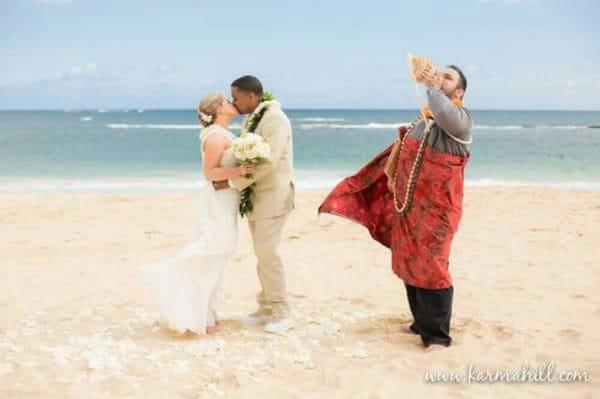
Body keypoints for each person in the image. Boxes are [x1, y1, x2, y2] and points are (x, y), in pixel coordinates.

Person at [319, 57, 473, 349]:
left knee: (432, 266)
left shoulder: (460, 119)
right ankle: (420, 323)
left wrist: (431, 83)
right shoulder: (424, 118)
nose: (441, 78)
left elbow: (442, 110)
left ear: (460, 93)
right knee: (409, 261)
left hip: (439, 211)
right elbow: (403, 153)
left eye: (448, 78)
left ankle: (437, 336)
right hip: (409, 206)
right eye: (439, 74)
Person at [139, 92, 254, 335]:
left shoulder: (221, 134)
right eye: (226, 101)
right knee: (214, 249)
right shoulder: (214, 137)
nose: (232, 102)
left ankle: (208, 313)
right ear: (218, 110)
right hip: (218, 201)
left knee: (220, 253)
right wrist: (240, 170)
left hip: (227, 200)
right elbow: (210, 173)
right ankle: (184, 293)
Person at [214, 75, 296, 334]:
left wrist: (235, 183)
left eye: (236, 97)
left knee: (269, 254)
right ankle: (266, 307)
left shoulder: (275, 119)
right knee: (262, 255)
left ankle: (283, 311)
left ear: (252, 96)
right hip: (257, 198)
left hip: (274, 197)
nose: (233, 102)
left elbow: (268, 162)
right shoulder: (252, 118)